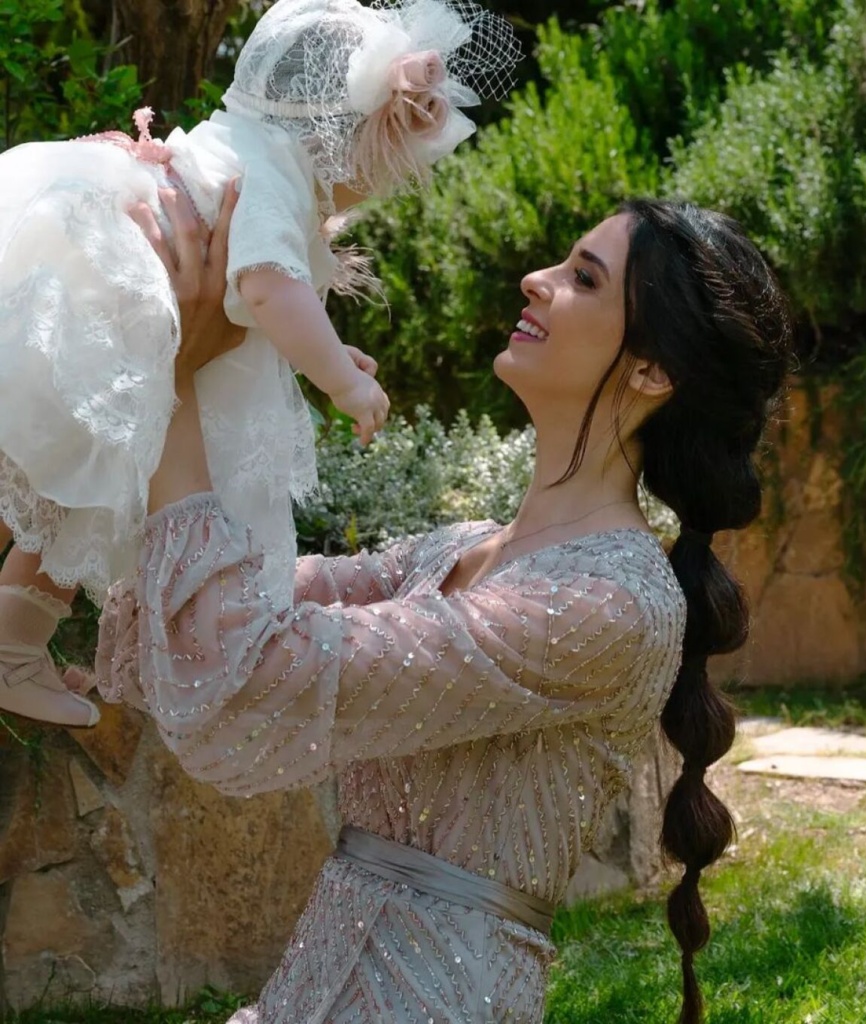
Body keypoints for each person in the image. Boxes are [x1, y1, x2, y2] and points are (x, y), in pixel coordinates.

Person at [85, 183, 793, 1023]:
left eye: (584, 278)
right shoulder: (459, 550)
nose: (535, 280)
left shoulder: (610, 605)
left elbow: (261, 664)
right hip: (318, 983)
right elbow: (250, 602)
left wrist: (180, 381)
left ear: (653, 371)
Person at [0, 0, 519, 728]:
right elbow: (267, 286)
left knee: (61, 481)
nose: (372, 189)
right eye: (376, 166)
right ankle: (12, 650)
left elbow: (266, 301)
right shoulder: (271, 177)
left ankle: (14, 649)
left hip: (109, 301)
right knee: (66, 484)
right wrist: (343, 381)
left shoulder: (246, 149)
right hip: (124, 311)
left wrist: (325, 350)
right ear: (332, 139)